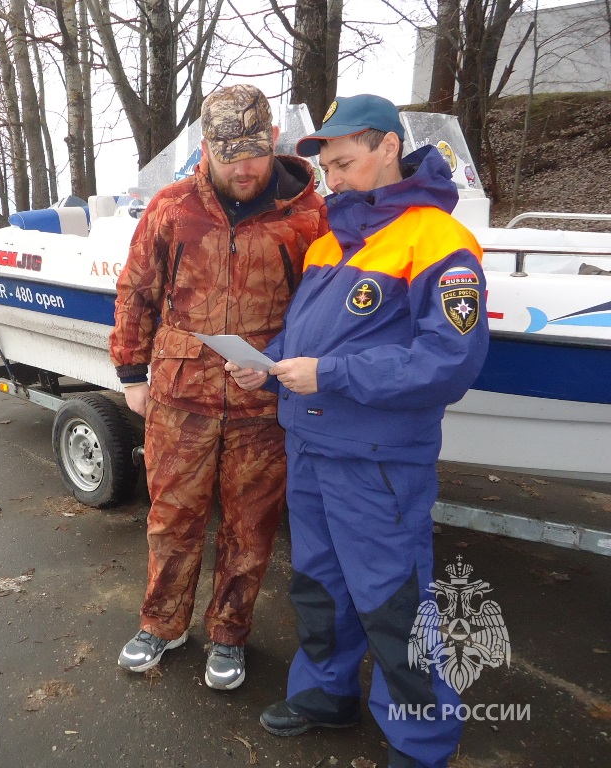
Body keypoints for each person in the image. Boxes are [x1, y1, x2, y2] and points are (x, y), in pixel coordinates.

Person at [228, 94, 489, 767]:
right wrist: (269, 365)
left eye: (343, 163)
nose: (333, 180)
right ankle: (325, 692)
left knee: (395, 599)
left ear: (386, 147)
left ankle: (421, 739)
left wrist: (333, 373)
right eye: (327, 168)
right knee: (318, 582)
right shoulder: (331, 237)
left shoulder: (439, 240)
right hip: (311, 444)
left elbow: (447, 363)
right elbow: (305, 335)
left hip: (378, 461)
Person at [109, 84, 328, 690]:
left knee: (250, 526)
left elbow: (326, 309)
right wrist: (132, 375)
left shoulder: (308, 215)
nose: (244, 167)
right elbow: (135, 290)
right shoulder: (171, 208)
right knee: (172, 517)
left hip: (264, 399)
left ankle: (229, 634)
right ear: (207, 147)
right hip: (180, 397)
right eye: (230, 153)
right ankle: (162, 623)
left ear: (273, 144)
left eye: (255, 152)